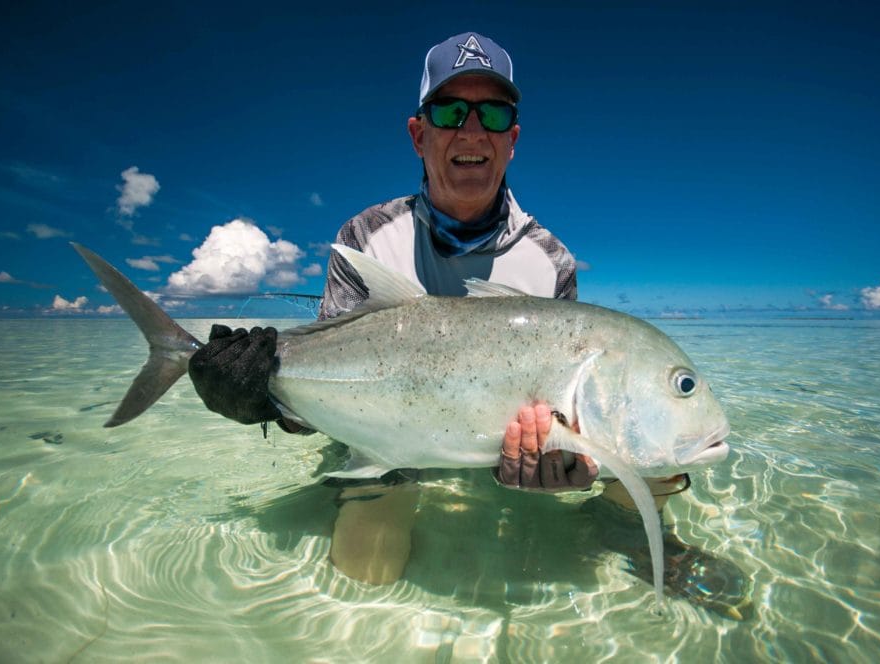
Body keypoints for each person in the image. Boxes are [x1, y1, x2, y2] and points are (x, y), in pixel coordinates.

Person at [189, 32, 686, 585]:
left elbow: (567, 415)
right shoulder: (365, 238)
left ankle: (621, 533)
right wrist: (264, 394)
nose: (472, 131)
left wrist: (569, 466)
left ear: (513, 138)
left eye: (493, 115)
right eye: (451, 111)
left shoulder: (550, 261)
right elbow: (330, 392)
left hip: (494, 458)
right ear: (418, 134)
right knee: (366, 573)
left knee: (668, 458)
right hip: (383, 444)